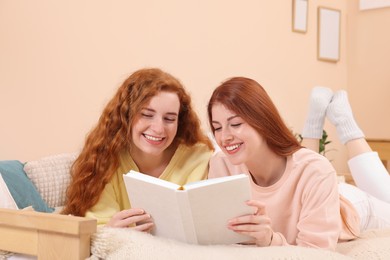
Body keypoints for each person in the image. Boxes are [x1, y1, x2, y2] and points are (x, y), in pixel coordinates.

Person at [207, 77, 390, 250]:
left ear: (262, 120)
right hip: (313, 191)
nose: (224, 137)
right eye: (217, 127)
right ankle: (314, 124)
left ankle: (346, 122)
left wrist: (271, 240)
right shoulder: (221, 165)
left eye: (236, 124)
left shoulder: (315, 170)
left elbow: (316, 252)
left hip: (350, 205)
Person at [62, 68, 214, 230]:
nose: (158, 129)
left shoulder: (199, 156)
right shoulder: (105, 159)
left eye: (169, 119)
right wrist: (110, 231)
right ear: (126, 115)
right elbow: (99, 230)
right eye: (147, 115)